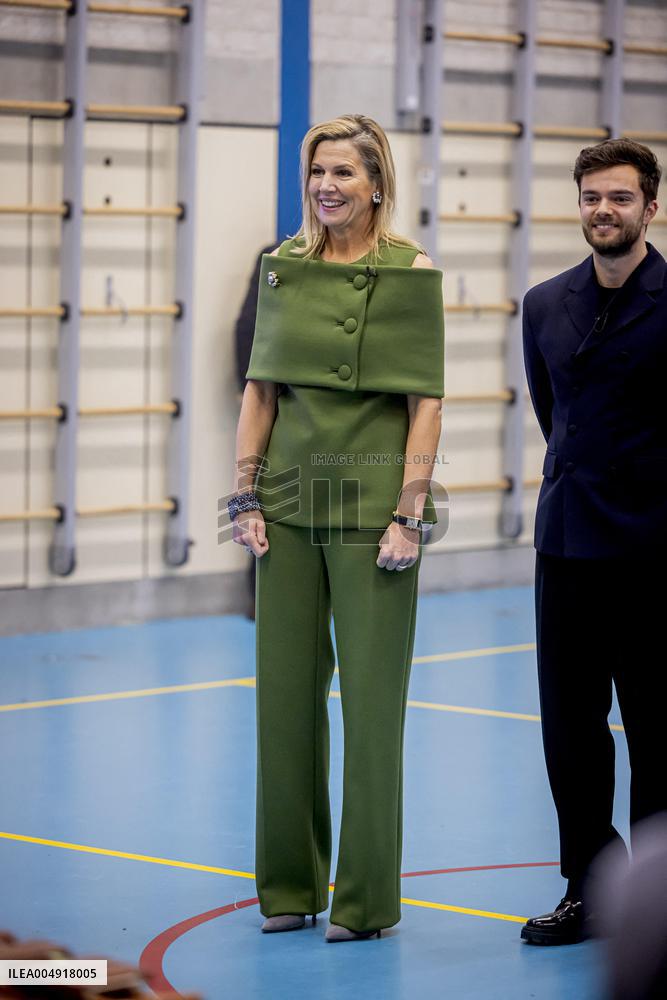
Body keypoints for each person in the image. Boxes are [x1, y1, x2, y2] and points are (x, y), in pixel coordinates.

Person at [228, 114, 444, 941]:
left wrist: (408, 517)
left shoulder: (410, 271)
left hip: (372, 513)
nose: (327, 185)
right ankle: (288, 888)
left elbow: (424, 406)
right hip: (284, 508)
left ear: (376, 183)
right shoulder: (280, 267)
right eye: (318, 171)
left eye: (344, 173)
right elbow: (259, 394)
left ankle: (363, 902)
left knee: (372, 709)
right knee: (282, 704)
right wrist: (243, 499)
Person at [521, 138, 667, 945]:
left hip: (654, 550)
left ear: (651, 207)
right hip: (567, 548)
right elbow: (555, 418)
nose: (602, 211)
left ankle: (657, 896)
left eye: (618, 197)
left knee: (658, 733)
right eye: (589, 198)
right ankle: (588, 884)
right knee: (569, 732)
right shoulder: (543, 304)